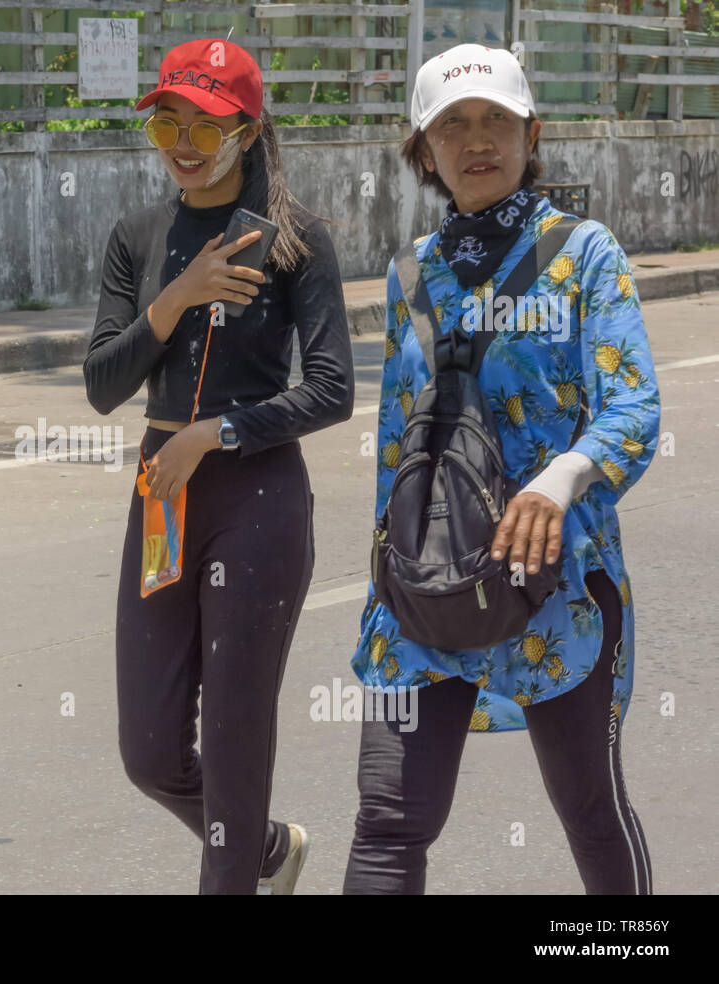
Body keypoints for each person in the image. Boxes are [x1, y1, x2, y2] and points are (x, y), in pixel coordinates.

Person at [345, 43, 660, 894]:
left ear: (532, 134)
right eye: (453, 125)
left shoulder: (585, 253)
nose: (476, 141)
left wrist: (560, 481)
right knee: (387, 819)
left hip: (556, 583)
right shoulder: (410, 274)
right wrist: (388, 581)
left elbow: (635, 410)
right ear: (425, 147)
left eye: (496, 121)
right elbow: (398, 447)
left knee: (588, 806)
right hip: (428, 583)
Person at [83, 38, 355, 894]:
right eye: (168, 120)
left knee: (237, 746)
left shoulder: (295, 240)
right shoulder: (139, 236)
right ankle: (268, 851)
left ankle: (238, 868)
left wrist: (216, 434)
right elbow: (100, 384)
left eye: (208, 121)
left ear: (249, 126)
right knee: (150, 751)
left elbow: (334, 388)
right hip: (162, 500)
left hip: (257, 496)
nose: (185, 142)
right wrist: (176, 298)